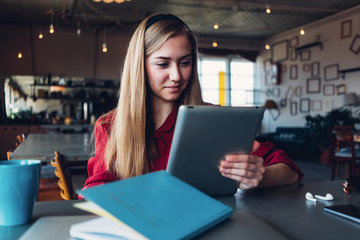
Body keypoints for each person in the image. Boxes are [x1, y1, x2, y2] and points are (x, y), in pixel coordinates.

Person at [82, 14, 303, 195]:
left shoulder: (212, 118)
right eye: (163, 64)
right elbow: (97, 192)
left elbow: (291, 173)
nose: (176, 75)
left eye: (185, 63)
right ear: (140, 67)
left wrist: (258, 176)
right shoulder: (111, 125)